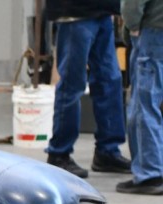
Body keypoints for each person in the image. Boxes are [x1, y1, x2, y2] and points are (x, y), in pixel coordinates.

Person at [45, 0, 133, 178]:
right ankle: (59, 153)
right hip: (74, 12)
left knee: (110, 81)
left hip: (103, 11)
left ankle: (107, 151)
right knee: (72, 84)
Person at [118, 0, 163, 193]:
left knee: (144, 103)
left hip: (152, 31)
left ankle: (149, 173)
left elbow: (133, 3)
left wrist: (132, 26)